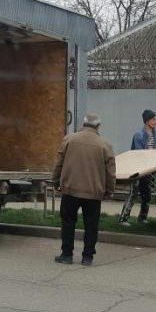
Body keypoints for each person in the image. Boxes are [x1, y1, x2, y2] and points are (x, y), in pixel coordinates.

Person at [52, 113, 116, 266]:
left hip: (70, 190)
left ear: (84, 124)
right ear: (98, 126)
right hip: (93, 193)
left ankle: (66, 255)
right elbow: (111, 172)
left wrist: (55, 181)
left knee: (68, 222)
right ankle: (87, 257)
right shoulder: (105, 145)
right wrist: (109, 190)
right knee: (91, 225)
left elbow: (59, 163)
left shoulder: (69, 139)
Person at [128, 109, 156, 223]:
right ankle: (123, 219)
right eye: (153, 119)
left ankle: (142, 218)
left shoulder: (155, 134)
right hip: (138, 170)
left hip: (148, 170)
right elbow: (139, 153)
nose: (155, 122)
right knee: (133, 195)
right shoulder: (139, 135)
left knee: (147, 195)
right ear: (147, 120)